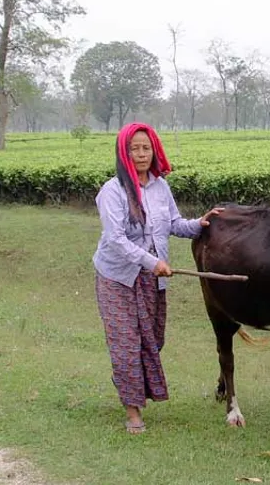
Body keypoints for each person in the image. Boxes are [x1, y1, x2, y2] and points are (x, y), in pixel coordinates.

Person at [93, 121, 223, 434]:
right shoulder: (112, 192)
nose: (140, 154)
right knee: (126, 343)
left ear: (154, 151)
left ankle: (131, 386)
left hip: (152, 281)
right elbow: (115, 239)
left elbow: (174, 223)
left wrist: (200, 224)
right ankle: (133, 411)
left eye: (146, 148)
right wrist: (152, 262)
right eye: (134, 148)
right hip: (117, 278)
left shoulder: (160, 186)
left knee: (152, 340)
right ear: (123, 152)